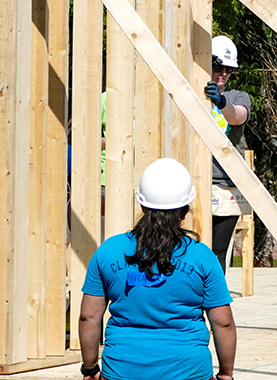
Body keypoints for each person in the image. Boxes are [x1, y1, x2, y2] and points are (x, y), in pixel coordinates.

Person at [79, 158, 236, 380]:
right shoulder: (202, 257)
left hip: (123, 371)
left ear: (142, 204)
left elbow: (89, 316)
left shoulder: (109, 251)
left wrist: (90, 368)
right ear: (185, 209)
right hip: (188, 371)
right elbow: (223, 322)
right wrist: (226, 374)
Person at [205, 35, 252, 272]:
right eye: (218, 67)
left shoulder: (237, 97)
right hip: (196, 181)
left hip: (226, 185)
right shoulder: (192, 92)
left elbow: (237, 116)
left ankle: (213, 304)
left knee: (217, 251)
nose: (223, 73)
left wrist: (221, 102)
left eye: (228, 69)